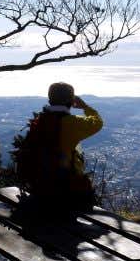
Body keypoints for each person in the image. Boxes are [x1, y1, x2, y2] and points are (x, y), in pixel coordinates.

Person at [14, 82, 103, 213]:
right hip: (66, 192)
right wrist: (85, 106)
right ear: (72, 101)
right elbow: (98, 122)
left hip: (38, 187)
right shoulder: (73, 123)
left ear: (50, 99)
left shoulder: (40, 120)